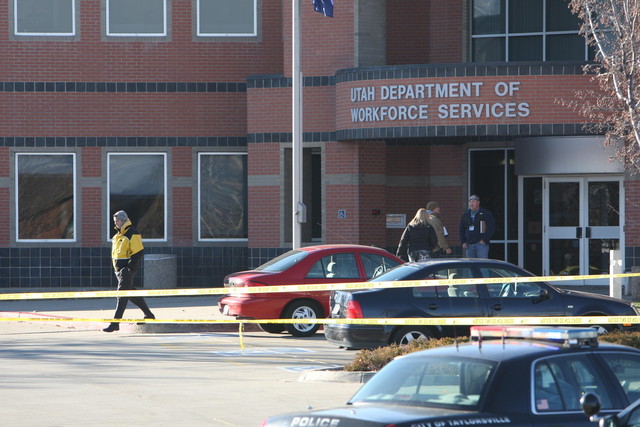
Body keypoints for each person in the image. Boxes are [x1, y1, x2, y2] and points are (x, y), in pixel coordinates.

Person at [103, 210, 155, 332]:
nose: (115, 223)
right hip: (119, 270)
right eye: (114, 221)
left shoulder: (132, 233)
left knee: (121, 295)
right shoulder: (117, 236)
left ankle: (115, 322)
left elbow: (138, 252)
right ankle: (149, 315)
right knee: (131, 294)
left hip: (126, 271)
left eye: (117, 221)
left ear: (123, 220)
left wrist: (129, 267)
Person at [459, 194, 495, 258]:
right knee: (471, 266)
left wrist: (484, 240)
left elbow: (491, 227)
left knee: (482, 265)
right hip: (469, 245)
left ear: (478, 202)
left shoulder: (486, 213)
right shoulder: (465, 215)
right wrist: (463, 242)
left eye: (473, 201)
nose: (471, 203)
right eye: (470, 202)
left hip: (481, 245)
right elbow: (461, 229)